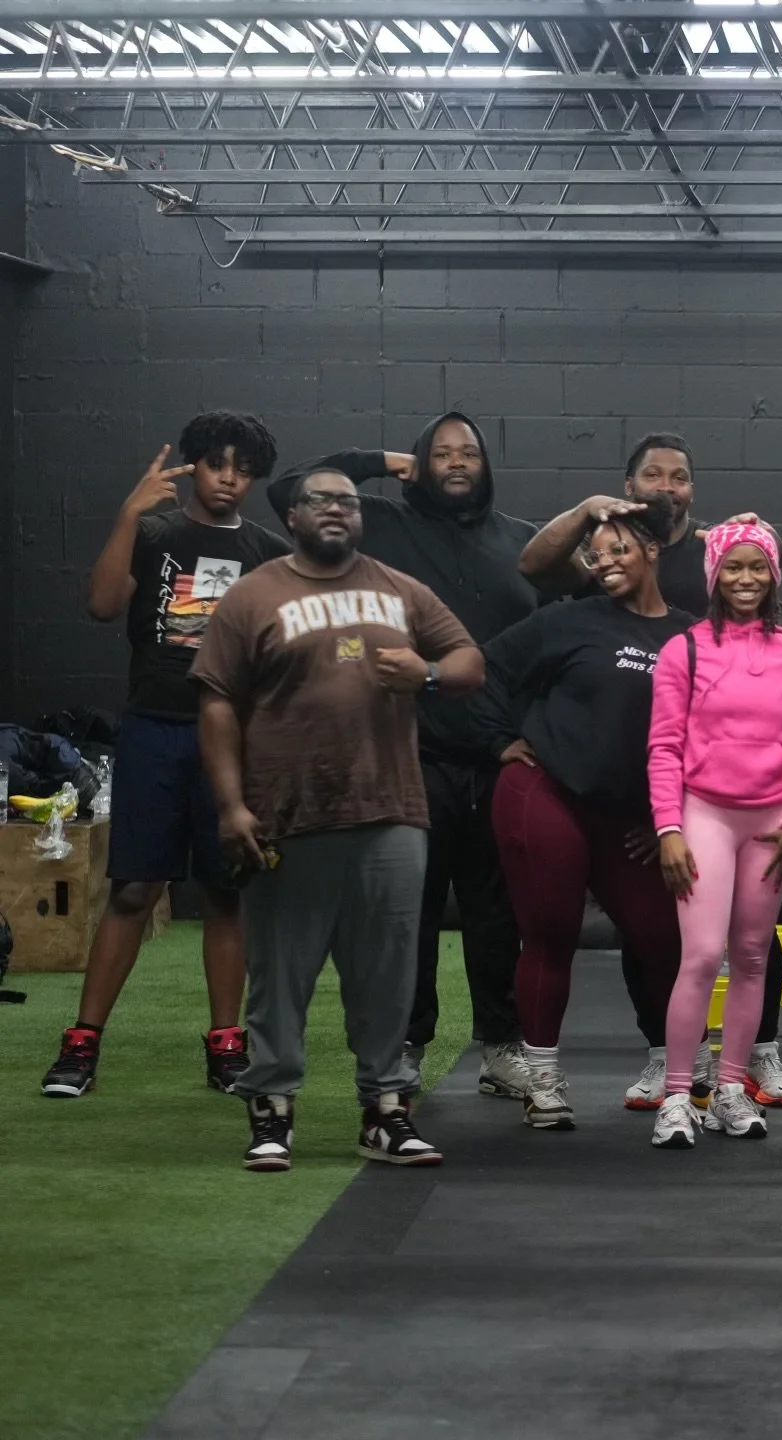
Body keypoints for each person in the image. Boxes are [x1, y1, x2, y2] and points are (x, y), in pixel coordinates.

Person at [191, 468, 484, 1171]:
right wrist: (230, 805)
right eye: (321, 500)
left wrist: (429, 676)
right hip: (286, 814)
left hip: (391, 811)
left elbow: (469, 661)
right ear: (292, 516)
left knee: (387, 972)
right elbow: (217, 702)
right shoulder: (253, 594)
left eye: (348, 502)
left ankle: (385, 1112)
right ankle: (271, 1112)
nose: (336, 510)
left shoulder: (397, 588)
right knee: (280, 973)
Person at [517, 433, 782, 1109]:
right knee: (656, 929)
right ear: (629, 483)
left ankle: (759, 1051)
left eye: (678, 476)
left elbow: (761, 577)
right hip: (656, 787)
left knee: (754, 928)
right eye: (652, 474)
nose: (666, 486)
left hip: (735, 783)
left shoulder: (712, 551)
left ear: (692, 490)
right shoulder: (610, 549)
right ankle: (665, 1057)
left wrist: (762, 536)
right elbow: (535, 566)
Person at [268, 414, 540, 1104]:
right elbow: (288, 490)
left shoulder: (522, 543)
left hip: (498, 758)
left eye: (468, 452)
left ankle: (502, 1046)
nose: (455, 462)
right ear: (418, 462)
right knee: (406, 914)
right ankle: (408, 1044)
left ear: (486, 464)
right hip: (407, 756)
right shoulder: (382, 525)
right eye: (440, 452)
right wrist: (377, 459)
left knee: (495, 912)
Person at [41, 415, 289, 1100]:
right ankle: (82, 1043)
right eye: (216, 464)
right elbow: (99, 605)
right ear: (192, 466)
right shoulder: (153, 535)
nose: (229, 477)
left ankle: (226, 1046)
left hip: (230, 744)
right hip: (153, 729)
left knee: (224, 894)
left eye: (242, 468)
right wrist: (128, 511)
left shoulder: (267, 552)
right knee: (130, 891)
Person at [474, 506, 692, 1131]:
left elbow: (702, 740)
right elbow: (483, 670)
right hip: (548, 791)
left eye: (620, 548)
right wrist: (498, 742)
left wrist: (665, 819)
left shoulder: (689, 635)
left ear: (652, 549)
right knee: (552, 932)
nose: (606, 563)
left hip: (629, 816)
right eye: (595, 555)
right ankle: (542, 1077)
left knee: (661, 936)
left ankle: (676, 1069)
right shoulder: (568, 619)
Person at [647, 522, 782, 1149]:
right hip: (705, 816)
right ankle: (677, 1096)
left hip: (772, 824)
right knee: (701, 956)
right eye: (733, 568)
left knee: (752, 956)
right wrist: (669, 829)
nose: (745, 579)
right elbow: (664, 748)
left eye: (757, 568)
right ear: (714, 575)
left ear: (773, 574)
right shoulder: (685, 651)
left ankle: (729, 1088)